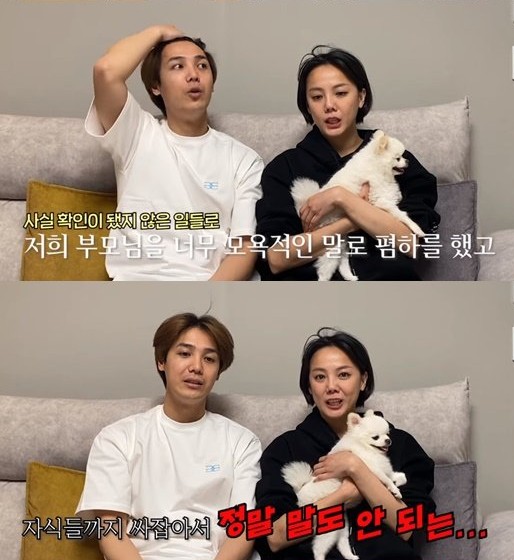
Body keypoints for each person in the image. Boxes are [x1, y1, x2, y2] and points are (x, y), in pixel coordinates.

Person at [76, 313, 262, 560]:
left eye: (209, 359)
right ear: (161, 361)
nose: (196, 367)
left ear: (218, 371)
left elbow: (244, 531)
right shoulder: (117, 438)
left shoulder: (242, 442)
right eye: (184, 353)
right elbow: (111, 530)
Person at [87, 26, 264, 280]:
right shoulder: (136, 135)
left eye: (202, 66)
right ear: (155, 86)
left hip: (207, 284)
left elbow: (244, 249)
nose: (194, 75)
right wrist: (159, 32)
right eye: (178, 66)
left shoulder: (243, 159)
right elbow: (106, 71)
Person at [255, 46, 440, 280]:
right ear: (308, 106)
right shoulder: (284, 168)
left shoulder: (393, 158)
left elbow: (408, 242)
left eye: (341, 93)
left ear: (361, 97)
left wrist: (339, 197)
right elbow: (276, 258)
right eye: (317, 97)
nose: (329, 105)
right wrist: (351, 220)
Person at [255, 328, 435, 560]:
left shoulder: (400, 444)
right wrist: (342, 495)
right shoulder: (285, 449)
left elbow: (407, 527)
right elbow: (275, 537)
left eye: (343, 375)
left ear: (363, 380)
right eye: (320, 377)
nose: (331, 386)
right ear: (309, 386)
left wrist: (356, 468)